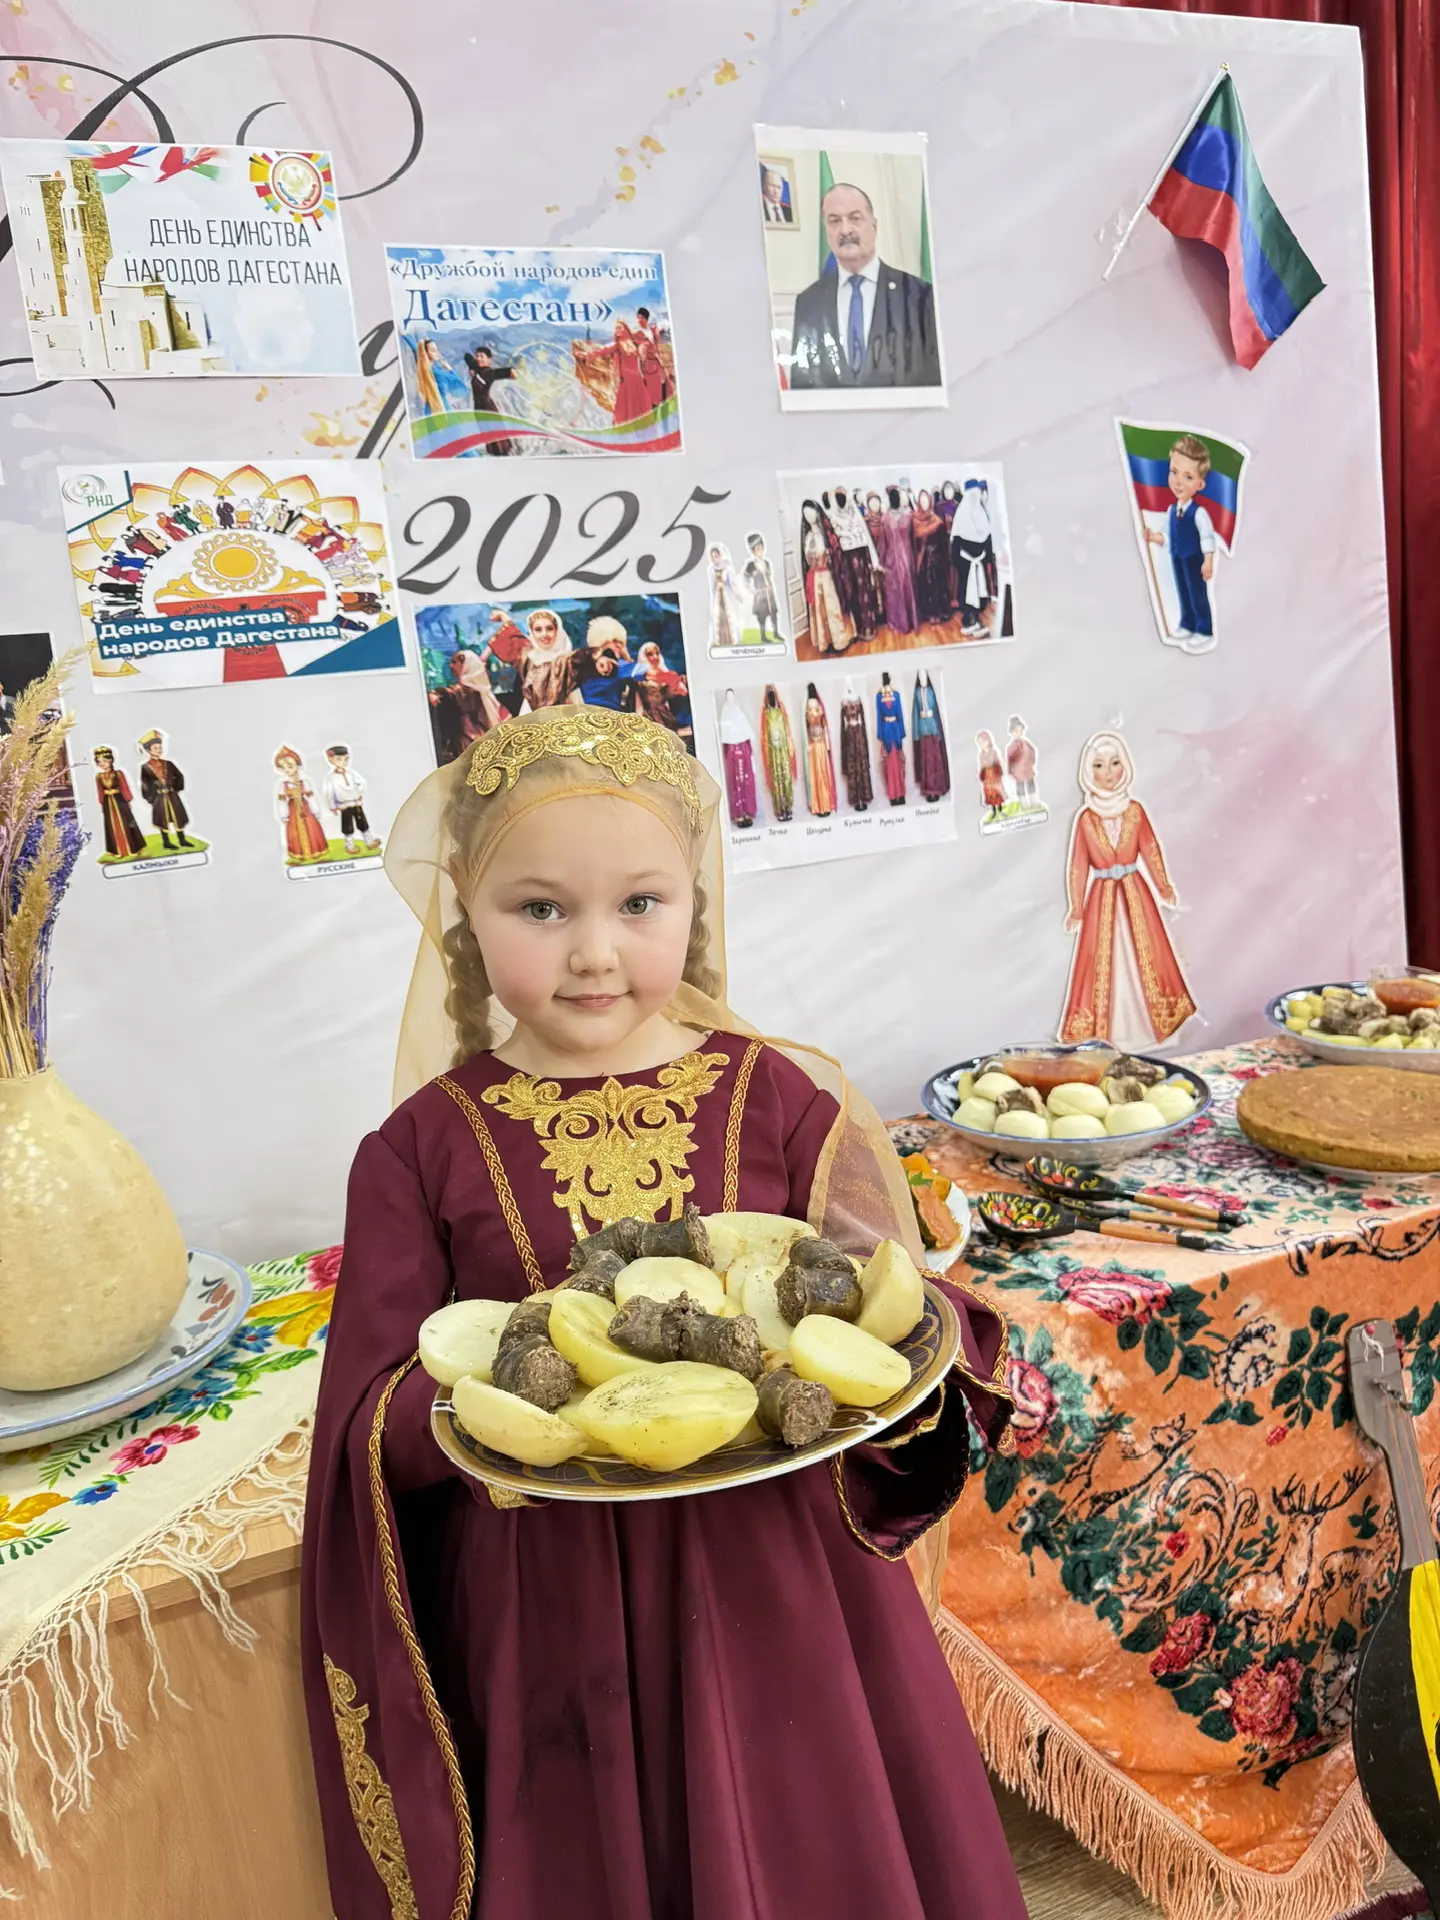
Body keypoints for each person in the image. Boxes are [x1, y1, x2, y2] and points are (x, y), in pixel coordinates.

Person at [299, 705, 1020, 1920]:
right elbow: (368, 1422)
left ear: (695, 902)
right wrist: (516, 1397)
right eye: (542, 909)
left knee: (813, 1838)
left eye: (640, 904)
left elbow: (879, 1305)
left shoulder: (776, 1097)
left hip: (783, 1589)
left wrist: (909, 1351)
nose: (594, 953)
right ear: (466, 920)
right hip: (553, 1606)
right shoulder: (418, 1152)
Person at [1059, 731, 1197, 1048]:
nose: (1108, 773)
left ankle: (1150, 1028)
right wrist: (1076, 908)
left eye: (1115, 763)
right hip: (1101, 901)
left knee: (1147, 954)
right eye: (1098, 765)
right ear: (1087, 771)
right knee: (1103, 961)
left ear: (1126, 766)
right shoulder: (1086, 819)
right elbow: (1078, 865)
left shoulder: (1135, 811)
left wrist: (1164, 888)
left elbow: (1150, 849)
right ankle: (1112, 1033)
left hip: (1137, 895)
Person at [789, 181, 942, 390]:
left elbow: (934, 380)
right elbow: (802, 386)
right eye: (834, 221)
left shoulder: (919, 296)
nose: (845, 230)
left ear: (874, 226)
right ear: (827, 232)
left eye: (855, 218)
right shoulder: (808, 302)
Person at [1145, 435, 1216, 644]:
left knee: (1197, 594)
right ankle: (1188, 623)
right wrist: (1154, 537)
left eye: (1188, 477)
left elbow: (1207, 537)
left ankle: (1203, 628)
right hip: (1177, 556)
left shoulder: (1199, 513)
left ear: (1200, 483)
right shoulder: (1171, 510)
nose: (1178, 481)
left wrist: (1208, 561)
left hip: (1193, 558)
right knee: (1182, 590)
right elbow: (1168, 535)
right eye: (1174, 472)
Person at [799, 499, 852, 656]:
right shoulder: (807, 536)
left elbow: (836, 553)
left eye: (811, 512)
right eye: (805, 513)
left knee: (832, 607)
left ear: (817, 513)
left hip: (828, 576)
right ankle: (825, 641)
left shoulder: (827, 534)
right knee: (819, 610)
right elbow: (806, 559)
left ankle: (840, 639)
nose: (808, 515)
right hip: (814, 578)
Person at [575, 321, 650, 425]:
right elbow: (603, 351)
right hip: (626, 379)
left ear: (625, 328)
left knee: (637, 404)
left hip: (636, 378)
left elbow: (647, 342)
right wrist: (586, 355)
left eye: (620, 328)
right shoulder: (618, 345)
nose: (617, 330)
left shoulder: (634, 342)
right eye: (616, 328)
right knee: (625, 406)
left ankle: (640, 426)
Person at [137, 730, 193, 851]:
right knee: (162, 819)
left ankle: (182, 840)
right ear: (149, 750)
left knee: (178, 817)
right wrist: (151, 798)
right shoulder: (146, 767)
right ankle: (166, 842)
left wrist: (175, 788)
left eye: (160, 747)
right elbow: (145, 784)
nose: (158, 749)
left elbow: (179, 776)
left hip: (172, 795)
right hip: (159, 797)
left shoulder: (168, 764)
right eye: (155, 747)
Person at [951, 481, 994, 637]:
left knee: (979, 593)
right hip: (966, 563)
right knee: (967, 592)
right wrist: (959, 561)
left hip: (979, 562)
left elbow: (986, 537)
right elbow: (956, 540)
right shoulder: (962, 514)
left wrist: (986, 558)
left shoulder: (981, 513)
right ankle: (968, 621)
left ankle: (976, 619)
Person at [274, 746, 329, 863]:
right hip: (293, 811)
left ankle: (315, 852)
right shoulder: (283, 786)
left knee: (311, 829)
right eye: (284, 768)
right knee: (295, 832)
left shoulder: (305, 783)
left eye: (290, 767)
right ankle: (300, 854)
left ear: (297, 766)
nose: (287, 770)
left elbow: (311, 798)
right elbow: (282, 801)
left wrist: (316, 811)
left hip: (306, 810)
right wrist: (284, 814)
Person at [323, 745, 382, 855]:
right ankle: (350, 845)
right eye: (339, 759)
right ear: (331, 760)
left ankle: (369, 841)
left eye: (346, 759)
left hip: (356, 803)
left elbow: (362, 782)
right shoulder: (331, 778)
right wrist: (332, 806)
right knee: (347, 826)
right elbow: (329, 794)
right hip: (344, 805)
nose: (343, 762)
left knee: (363, 823)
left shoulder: (351, 774)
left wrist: (358, 793)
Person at [631, 640, 691, 745]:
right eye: (650, 654)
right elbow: (638, 702)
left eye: (656, 653)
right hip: (648, 716)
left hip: (665, 714)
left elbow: (679, 694)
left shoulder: (667, 674)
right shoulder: (639, 678)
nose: (654, 657)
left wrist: (677, 684)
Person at [462, 345, 518, 455]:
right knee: (488, 438)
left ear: (489, 360)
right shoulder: (476, 366)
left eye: (482, 356)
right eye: (477, 356)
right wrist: (472, 368)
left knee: (496, 437)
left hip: (488, 408)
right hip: (478, 409)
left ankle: (505, 458)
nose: (479, 358)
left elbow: (513, 373)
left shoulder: (490, 373)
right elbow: (466, 356)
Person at [879, 485, 918, 636]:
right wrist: (882, 562)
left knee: (909, 589)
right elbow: (882, 542)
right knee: (895, 591)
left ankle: (911, 620)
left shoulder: (908, 515)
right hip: (892, 560)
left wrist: (914, 556)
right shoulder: (885, 518)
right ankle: (898, 622)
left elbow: (913, 538)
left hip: (907, 558)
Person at [93, 746, 146, 858]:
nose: (102, 763)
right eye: (99, 762)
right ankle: (117, 850)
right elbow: (100, 791)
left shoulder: (118, 774)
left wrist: (128, 800)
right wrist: (102, 802)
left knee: (126, 822)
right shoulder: (98, 777)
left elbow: (124, 787)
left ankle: (133, 848)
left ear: (110, 760)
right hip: (108, 802)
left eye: (104, 761)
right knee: (112, 825)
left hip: (119, 800)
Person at [718, 688, 759, 828]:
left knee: (747, 782)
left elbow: (747, 735)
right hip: (732, 754)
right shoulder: (725, 715)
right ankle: (738, 814)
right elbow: (725, 739)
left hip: (743, 751)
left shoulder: (739, 714)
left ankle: (748, 811)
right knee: (735, 784)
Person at [911, 488, 950, 625]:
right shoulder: (914, 520)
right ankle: (928, 613)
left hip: (936, 560)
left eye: (926, 500)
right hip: (922, 559)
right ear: (918, 502)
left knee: (937, 587)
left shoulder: (937, 521)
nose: (924, 503)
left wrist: (941, 559)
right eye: (922, 500)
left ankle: (938, 612)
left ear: (930, 501)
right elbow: (912, 542)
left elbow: (943, 543)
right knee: (924, 587)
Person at [911, 670, 950, 803]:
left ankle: (937, 787)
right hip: (922, 729)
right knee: (926, 760)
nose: (923, 679)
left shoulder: (932, 693)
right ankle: (928, 790)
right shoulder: (916, 693)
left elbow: (936, 712)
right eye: (920, 676)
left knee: (935, 759)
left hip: (933, 727)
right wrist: (916, 734)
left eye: (924, 675)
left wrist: (938, 732)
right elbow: (915, 714)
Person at [761, 682, 797, 821]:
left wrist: (789, 749)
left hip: (783, 751)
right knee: (777, 781)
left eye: (773, 695)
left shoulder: (782, 712)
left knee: (786, 778)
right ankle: (780, 809)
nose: (771, 698)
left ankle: (788, 807)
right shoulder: (766, 714)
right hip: (773, 754)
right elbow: (764, 735)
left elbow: (787, 730)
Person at [802, 682, 837, 817]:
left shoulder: (809, 707)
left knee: (820, 774)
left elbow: (820, 724)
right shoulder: (814, 706)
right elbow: (818, 724)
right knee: (819, 774)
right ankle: (822, 805)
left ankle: (824, 804)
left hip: (818, 745)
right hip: (817, 745)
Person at [838, 678, 873, 812]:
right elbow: (843, 724)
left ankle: (864, 797)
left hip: (858, 734)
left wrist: (863, 737)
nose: (848, 686)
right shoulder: (843, 701)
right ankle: (856, 798)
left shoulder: (858, 699)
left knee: (861, 764)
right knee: (853, 765)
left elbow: (862, 720)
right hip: (849, 736)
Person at [741, 532, 781, 644]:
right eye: (757, 549)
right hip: (760, 595)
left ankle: (776, 633)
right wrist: (753, 591)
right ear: (753, 551)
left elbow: (770, 575)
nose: (759, 550)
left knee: (773, 613)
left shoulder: (767, 563)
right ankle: (763, 636)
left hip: (770, 593)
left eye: (761, 548)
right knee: (762, 616)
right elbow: (745, 580)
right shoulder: (750, 566)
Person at [875, 673, 906, 804]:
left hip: (895, 729)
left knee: (898, 763)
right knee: (889, 764)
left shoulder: (896, 695)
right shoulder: (879, 696)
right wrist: (880, 735)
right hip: (886, 729)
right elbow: (879, 716)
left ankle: (901, 793)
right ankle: (893, 795)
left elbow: (900, 714)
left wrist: (901, 732)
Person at [707, 543, 744, 651]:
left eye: (716, 556)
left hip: (727, 596)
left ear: (720, 555)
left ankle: (732, 639)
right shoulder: (711, 570)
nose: (715, 559)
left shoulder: (727, 569)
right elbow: (711, 587)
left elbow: (732, 583)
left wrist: (737, 595)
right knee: (719, 618)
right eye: (712, 557)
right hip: (718, 598)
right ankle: (721, 640)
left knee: (730, 617)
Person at [1006, 714, 1039, 810]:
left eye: (1020, 731)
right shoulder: (1011, 747)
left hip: (1028, 769)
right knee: (1020, 787)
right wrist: (1010, 771)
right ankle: (1024, 804)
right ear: (1012, 732)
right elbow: (1010, 759)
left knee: (1031, 785)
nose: (1019, 733)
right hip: (1018, 771)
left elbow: (1033, 752)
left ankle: (1033, 802)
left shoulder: (1026, 744)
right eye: (1016, 731)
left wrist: (1032, 762)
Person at [976, 730, 1006, 825]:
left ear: (988, 741)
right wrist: (981, 774)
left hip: (994, 775)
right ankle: (993, 811)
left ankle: (1000, 809)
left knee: (997, 792)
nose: (982, 744)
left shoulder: (994, 752)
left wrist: (999, 771)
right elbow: (981, 766)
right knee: (990, 794)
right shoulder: (981, 755)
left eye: (983, 742)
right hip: (987, 778)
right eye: (980, 743)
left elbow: (997, 762)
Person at [413, 337, 446, 416]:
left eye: (436, 350)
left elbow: (415, 349)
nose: (437, 353)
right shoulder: (430, 370)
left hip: (436, 404)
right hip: (436, 406)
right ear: (425, 353)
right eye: (433, 351)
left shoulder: (431, 367)